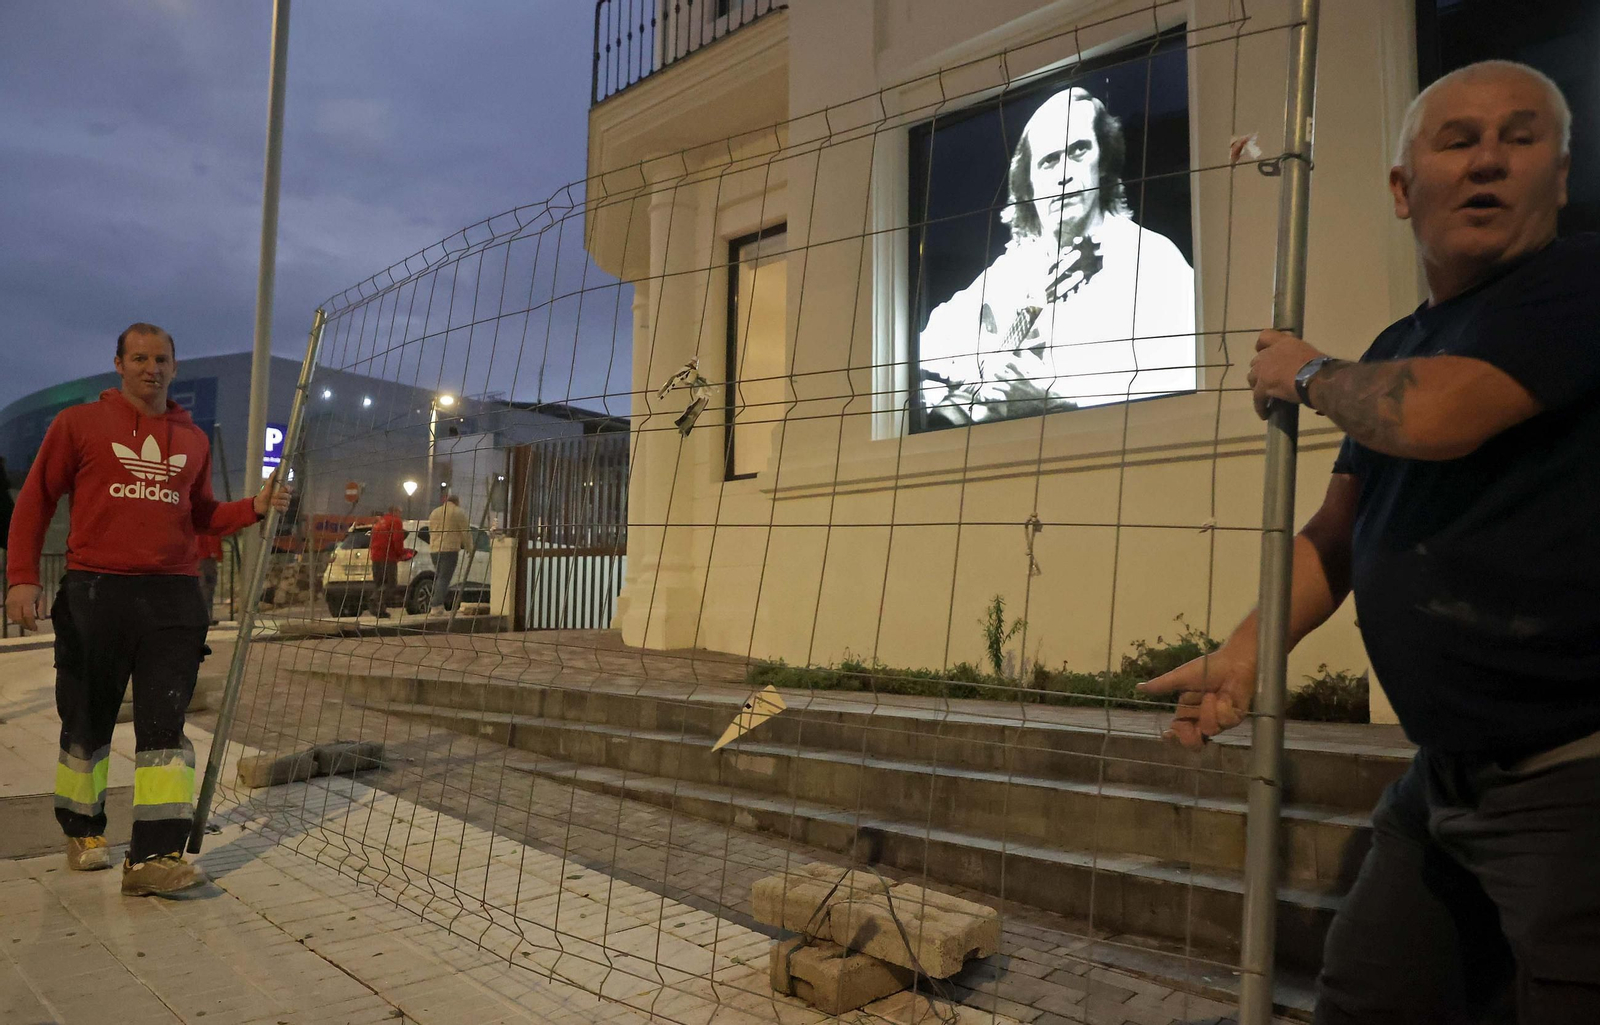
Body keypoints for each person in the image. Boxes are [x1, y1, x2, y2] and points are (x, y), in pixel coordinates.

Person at [1139, 61, 1600, 1020]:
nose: (1487, 162)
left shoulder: (1576, 286)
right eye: (1457, 140)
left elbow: (1439, 417)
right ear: (1403, 189)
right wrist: (1243, 655)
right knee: (1367, 996)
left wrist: (1303, 374)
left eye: (1520, 138)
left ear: (1560, 173)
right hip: (1441, 779)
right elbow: (1337, 536)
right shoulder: (1397, 346)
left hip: (1573, 781)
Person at [4, 323, 289, 896]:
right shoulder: (78, 424)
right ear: (118, 363)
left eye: (161, 359)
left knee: (165, 726)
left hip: (173, 598)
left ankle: (154, 855)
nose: (150, 368)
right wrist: (22, 580)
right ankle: (83, 831)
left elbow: (202, 514)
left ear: (175, 368)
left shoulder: (194, 440)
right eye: (139, 357)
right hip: (95, 593)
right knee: (87, 717)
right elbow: (36, 499)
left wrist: (254, 508)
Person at [918, 86, 1195, 426]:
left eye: (1078, 151)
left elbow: (1180, 401)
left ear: (1102, 162)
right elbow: (915, 358)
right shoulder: (1006, 274)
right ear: (1028, 187)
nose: (1064, 174)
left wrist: (1057, 402)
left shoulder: (1154, 262)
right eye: (1049, 161)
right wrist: (964, 372)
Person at [426, 493, 470, 614]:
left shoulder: (434, 512)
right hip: (449, 549)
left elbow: (430, 530)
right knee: (444, 578)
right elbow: (465, 532)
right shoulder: (458, 512)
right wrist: (469, 547)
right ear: (457, 502)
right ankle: (436, 605)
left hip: (434, 550)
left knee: (439, 577)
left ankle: (438, 606)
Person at [367, 505, 406, 619]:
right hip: (388, 556)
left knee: (380, 583)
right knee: (391, 583)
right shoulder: (396, 521)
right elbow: (397, 539)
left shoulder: (380, 522)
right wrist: (400, 553)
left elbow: (373, 539)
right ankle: (375, 599)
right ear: (395, 511)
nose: (401, 514)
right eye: (400, 512)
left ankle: (380, 610)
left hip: (376, 556)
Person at [195, 530, 223, 626]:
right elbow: (211, 536)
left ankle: (205, 616)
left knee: (204, 587)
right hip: (207, 557)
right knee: (207, 587)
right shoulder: (209, 525)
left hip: (201, 556)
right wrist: (214, 552)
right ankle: (206, 616)